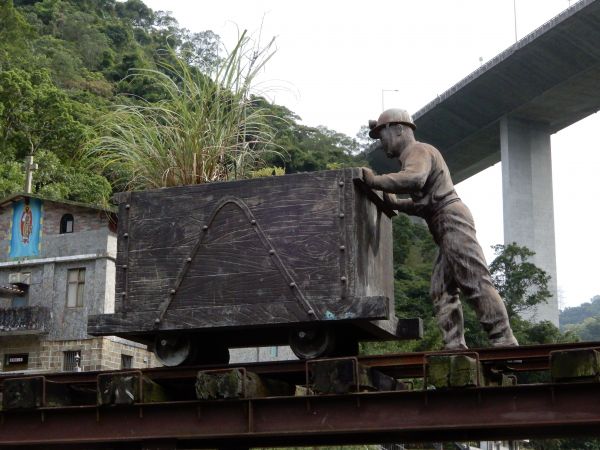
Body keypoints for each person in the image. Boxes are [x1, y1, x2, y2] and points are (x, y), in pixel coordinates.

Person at [362, 108, 518, 349]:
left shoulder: (417, 151)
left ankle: (503, 339)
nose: (382, 144)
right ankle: (454, 345)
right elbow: (425, 202)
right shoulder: (416, 154)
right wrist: (397, 204)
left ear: (399, 129)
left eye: (382, 136)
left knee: (474, 279)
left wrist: (375, 181)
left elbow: (414, 179)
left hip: (450, 219)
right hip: (443, 220)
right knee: (441, 289)